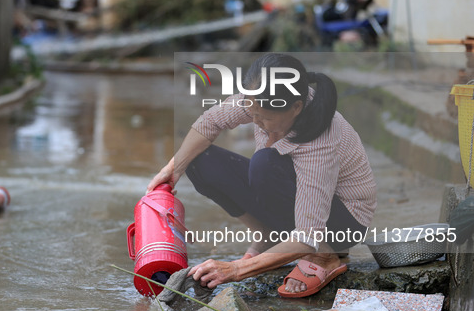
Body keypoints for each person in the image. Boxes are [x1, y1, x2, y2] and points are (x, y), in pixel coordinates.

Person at [147, 53, 377, 298]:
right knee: (198, 159)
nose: (254, 120)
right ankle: (270, 235)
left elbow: (309, 235)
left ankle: (325, 256)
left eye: (263, 118)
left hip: (342, 221)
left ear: (296, 108)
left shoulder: (320, 140)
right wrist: (172, 170)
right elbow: (209, 123)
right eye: (250, 111)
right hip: (289, 196)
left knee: (265, 162)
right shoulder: (260, 100)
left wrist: (235, 269)